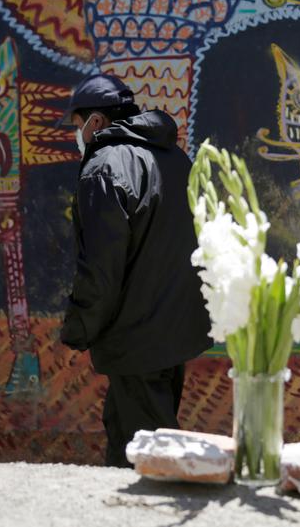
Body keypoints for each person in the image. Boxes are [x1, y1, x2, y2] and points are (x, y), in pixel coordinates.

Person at [58, 74, 210, 467]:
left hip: (136, 336)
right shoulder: (175, 158)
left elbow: (100, 269)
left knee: (143, 459)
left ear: (95, 122)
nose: (78, 136)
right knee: (145, 437)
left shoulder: (104, 168)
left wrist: (79, 328)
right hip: (175, 330)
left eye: (78, 126)